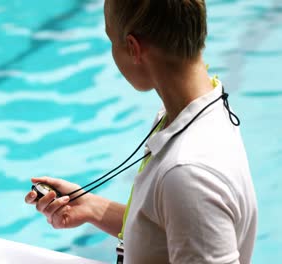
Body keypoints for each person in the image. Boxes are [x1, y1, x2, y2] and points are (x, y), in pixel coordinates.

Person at [25, 0, 258, 263]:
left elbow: (189, 198)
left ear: (134, 48)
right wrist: (93, 207)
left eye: (112, 39)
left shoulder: (187, 174)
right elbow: (172, 225)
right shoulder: (195, 114)